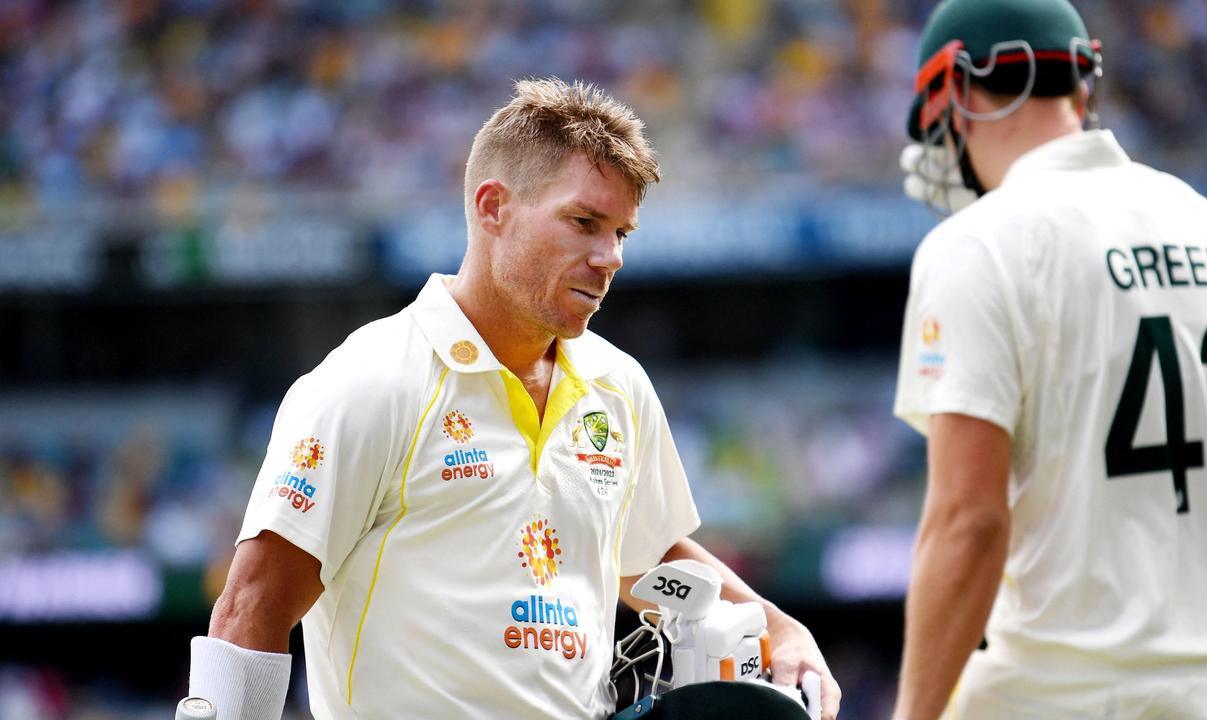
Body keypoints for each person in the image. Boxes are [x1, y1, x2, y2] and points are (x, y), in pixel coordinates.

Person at [185, 77, 840, 720]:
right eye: (584, 222)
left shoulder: (619, 386)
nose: (609, 256)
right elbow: (250, 610)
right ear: (492, 207)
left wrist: (778, 629)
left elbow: (649, 560)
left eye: (622, 233)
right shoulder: (371, 380)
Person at [891, 1, 1207, 718]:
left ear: (955, 90)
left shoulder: (979, 241)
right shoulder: (1197, 216)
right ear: (1081, 85)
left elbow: (969, 523)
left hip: (1069, 691)